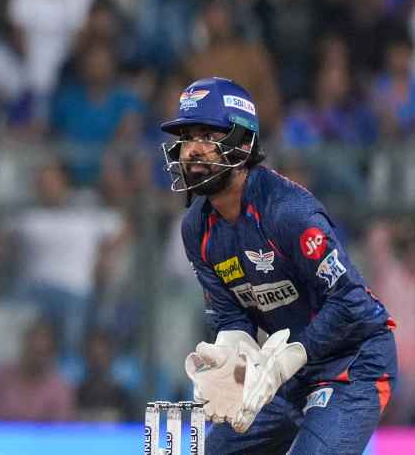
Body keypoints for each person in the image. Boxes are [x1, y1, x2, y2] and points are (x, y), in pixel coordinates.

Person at [162, 77, 397, 454]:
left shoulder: (288, 212)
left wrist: (291, 357)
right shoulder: (196, 229)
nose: (192, 150)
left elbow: (351, 303)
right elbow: (231, 315)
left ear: (243, 143)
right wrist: (229, 352)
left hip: (352, 363)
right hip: (282, 374)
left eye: (206, 135)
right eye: (187, 137)